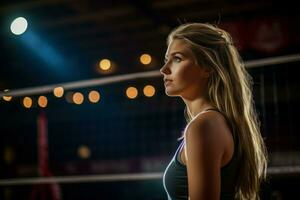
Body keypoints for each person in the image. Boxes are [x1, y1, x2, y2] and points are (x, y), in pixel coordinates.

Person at [160, 23, 268, 200]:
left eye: (177, 59)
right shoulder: (214, 123)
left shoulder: (204, 126)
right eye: (167, 60)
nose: (164, 69)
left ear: (207, 67)